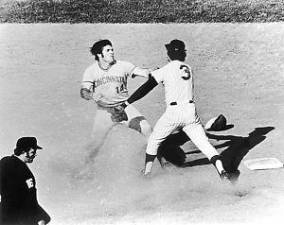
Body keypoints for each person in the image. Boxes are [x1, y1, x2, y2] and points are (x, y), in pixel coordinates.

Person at [124, 39, 231, 180]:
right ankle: (222, 171)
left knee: (154, 141)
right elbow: (176, 81)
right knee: (204, 145)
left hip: (173, 113)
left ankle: (147, 173)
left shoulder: (165, 70)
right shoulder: (188, 68)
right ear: (183, 54)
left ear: (168, 55)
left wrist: (128, 101)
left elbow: (146, 88)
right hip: (190, 112)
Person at [80, 39, 152, 160]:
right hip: (104, 112)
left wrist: (149, 72)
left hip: (125, 107)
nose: (112, 52)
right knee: (95, 144)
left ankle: (162, 162)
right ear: (99, 54)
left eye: (112, 49)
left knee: (148, 130)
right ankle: (85, 169)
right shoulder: (91, 71)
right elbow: (84, 92)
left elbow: (140, 71)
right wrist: (91, 95)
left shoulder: (123, 65)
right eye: (108, 50)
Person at [0, 137, 51, 225]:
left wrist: (42, 216)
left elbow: (29, 199)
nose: (34, 155)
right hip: (12, 219)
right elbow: (14, 197)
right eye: (33, 152)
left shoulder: (24, 169)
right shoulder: (7, 163)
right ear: (23, 151)